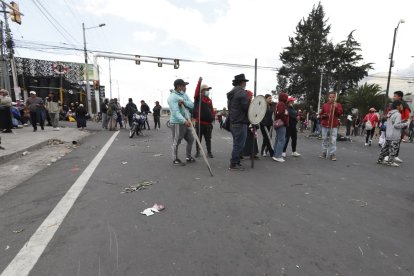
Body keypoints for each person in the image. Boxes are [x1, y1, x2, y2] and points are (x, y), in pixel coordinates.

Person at [168, 79, 195, 166]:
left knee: (190, 139)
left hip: (186, 121)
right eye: (183, 86)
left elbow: (192, 105)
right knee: (176, 141)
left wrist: (184, 102)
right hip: (177, 123)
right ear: (178, 86)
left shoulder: (184, 95)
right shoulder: (172, 97)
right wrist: (183, 121)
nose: (185, 87)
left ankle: (188, 157)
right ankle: (175, 159)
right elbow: (175, 112)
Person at [227, 74, 250, 171]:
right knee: (239, 144)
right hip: (240, 121)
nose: (245, 83)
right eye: (245, 81)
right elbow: (247, 107)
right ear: (242, 82)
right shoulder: (242, 92)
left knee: (237, 143)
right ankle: (233, 163)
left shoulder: (232, 93)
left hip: (233, 121)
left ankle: (236, 162)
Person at [377, 100, 408, 167]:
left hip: (388, 134)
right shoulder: (398, 114)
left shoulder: (390, 113)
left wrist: (401, 121)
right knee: (393, 149)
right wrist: (405, 124)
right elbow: (396, 125)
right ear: (397, 106)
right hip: (395, 135)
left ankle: (380, 159)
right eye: (401, 105)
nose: (402, 106)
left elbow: (392, 122)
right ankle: (390, 162)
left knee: (385, 148)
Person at [386, 91, 411, 163]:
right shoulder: (392, 104)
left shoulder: (404, 104)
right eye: (394, 96)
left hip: (400, 124)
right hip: (391, 125)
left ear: (400, 97)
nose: (393, 97)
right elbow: (388, 113)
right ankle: (387, 155)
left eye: (395, 96)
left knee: (398, 141)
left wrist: (403, 122)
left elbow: (406, 115)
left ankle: (395, 156)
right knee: (389, 140)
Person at [193, 78, 215, 158]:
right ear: (202, 90)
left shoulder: (209, 100)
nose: (207, 91)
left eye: (208, 89)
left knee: (208, 139)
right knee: (198, 139)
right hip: (200, 123)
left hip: (208, 124)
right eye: (206, 89)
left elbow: (212, 110)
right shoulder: (198, 98)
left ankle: (209, 152)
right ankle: (197, 152)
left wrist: (212, 117)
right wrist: (199, 82)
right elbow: (196, 92)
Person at [319, 91, 343, 161]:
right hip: (325, 125)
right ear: (328, 98)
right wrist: (324, 115)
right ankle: (324, 153)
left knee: (333, 140)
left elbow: (339, 114)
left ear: (335, 97)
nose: (331, 98)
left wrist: (335, 108)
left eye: (333, 97)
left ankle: (332, 154)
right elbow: (320, 115)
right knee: (324, 139)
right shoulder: (325, 105)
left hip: (333, 125)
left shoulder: (338, 105)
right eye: (330, 97)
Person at [272, 92, 289, 162]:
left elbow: (277, 113)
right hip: (281, 124)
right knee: (281, 140)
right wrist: (285, 122)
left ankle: (275, 154)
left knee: (278, 139)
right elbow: (281, 114)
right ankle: (278, 156)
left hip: (277, 123)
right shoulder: (282, 104)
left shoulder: (278, 104)